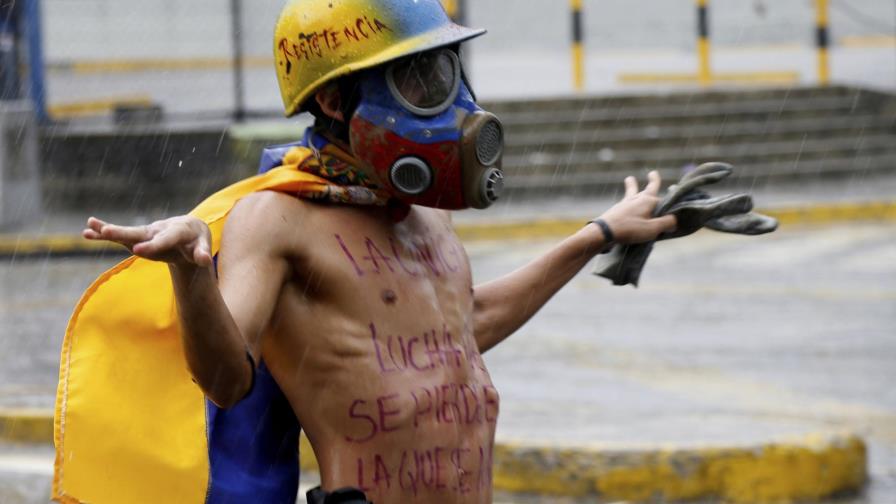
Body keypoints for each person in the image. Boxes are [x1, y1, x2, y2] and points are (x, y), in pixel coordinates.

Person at [68, 0, 676, 502]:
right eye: (416, 80)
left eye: (445, 71)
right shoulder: (278, 217)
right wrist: (191, 272)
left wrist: (598, 234)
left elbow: (464, 326)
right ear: (335, 101)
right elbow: (226, 381)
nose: (449, 100)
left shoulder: (423, 213)